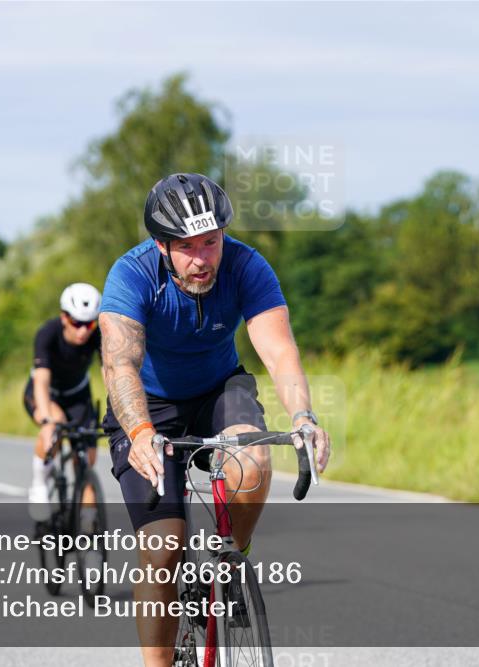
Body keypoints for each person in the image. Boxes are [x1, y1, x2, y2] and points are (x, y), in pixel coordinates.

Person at [99, 172, 331, 666]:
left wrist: (304, 416)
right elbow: (120, 365)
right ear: (161, 245)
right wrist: (140, 433)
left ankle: (233, 557)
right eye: (187, 246)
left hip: (218, 390)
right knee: (164, 551)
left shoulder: (247, 266)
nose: (203, 259)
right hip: (147, 405)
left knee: (253, 462)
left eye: (211, 242)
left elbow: (278, 348)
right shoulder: (132, 274)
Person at [24, 283, 103, 522]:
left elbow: (111, 373)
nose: (83, 331)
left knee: (86, 461)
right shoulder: (48, 333)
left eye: (89, 324)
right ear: (64, 317)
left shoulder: (97, 336)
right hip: (47, 393)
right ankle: (39, 485)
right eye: (77, 323)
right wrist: (47, 420)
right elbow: (41, 383)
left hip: (78, 395)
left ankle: (89, 540)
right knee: (55, 426)